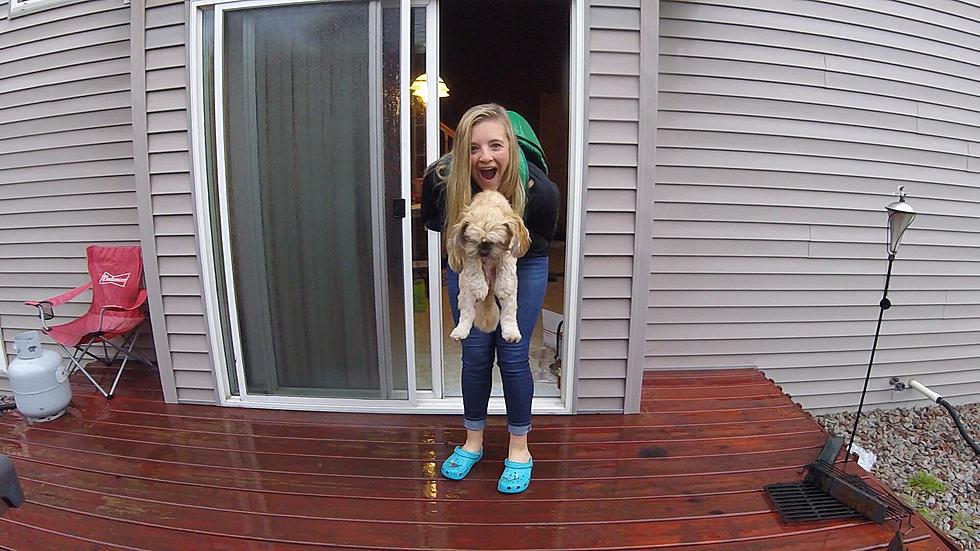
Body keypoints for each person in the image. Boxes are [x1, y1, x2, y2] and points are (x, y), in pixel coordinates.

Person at [421, 103, 559, 494]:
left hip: (523, 260)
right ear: (461, 150)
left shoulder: (540, 191)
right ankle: (473, 441)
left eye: (496, 145)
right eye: (475, 147)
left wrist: (503, 270)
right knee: (475, 353)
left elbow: (541, 243)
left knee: (513, 356)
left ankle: (520, 449)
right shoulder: (441, 179)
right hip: (467, 260)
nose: (485, 157)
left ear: (511, 149)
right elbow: (434, 222)